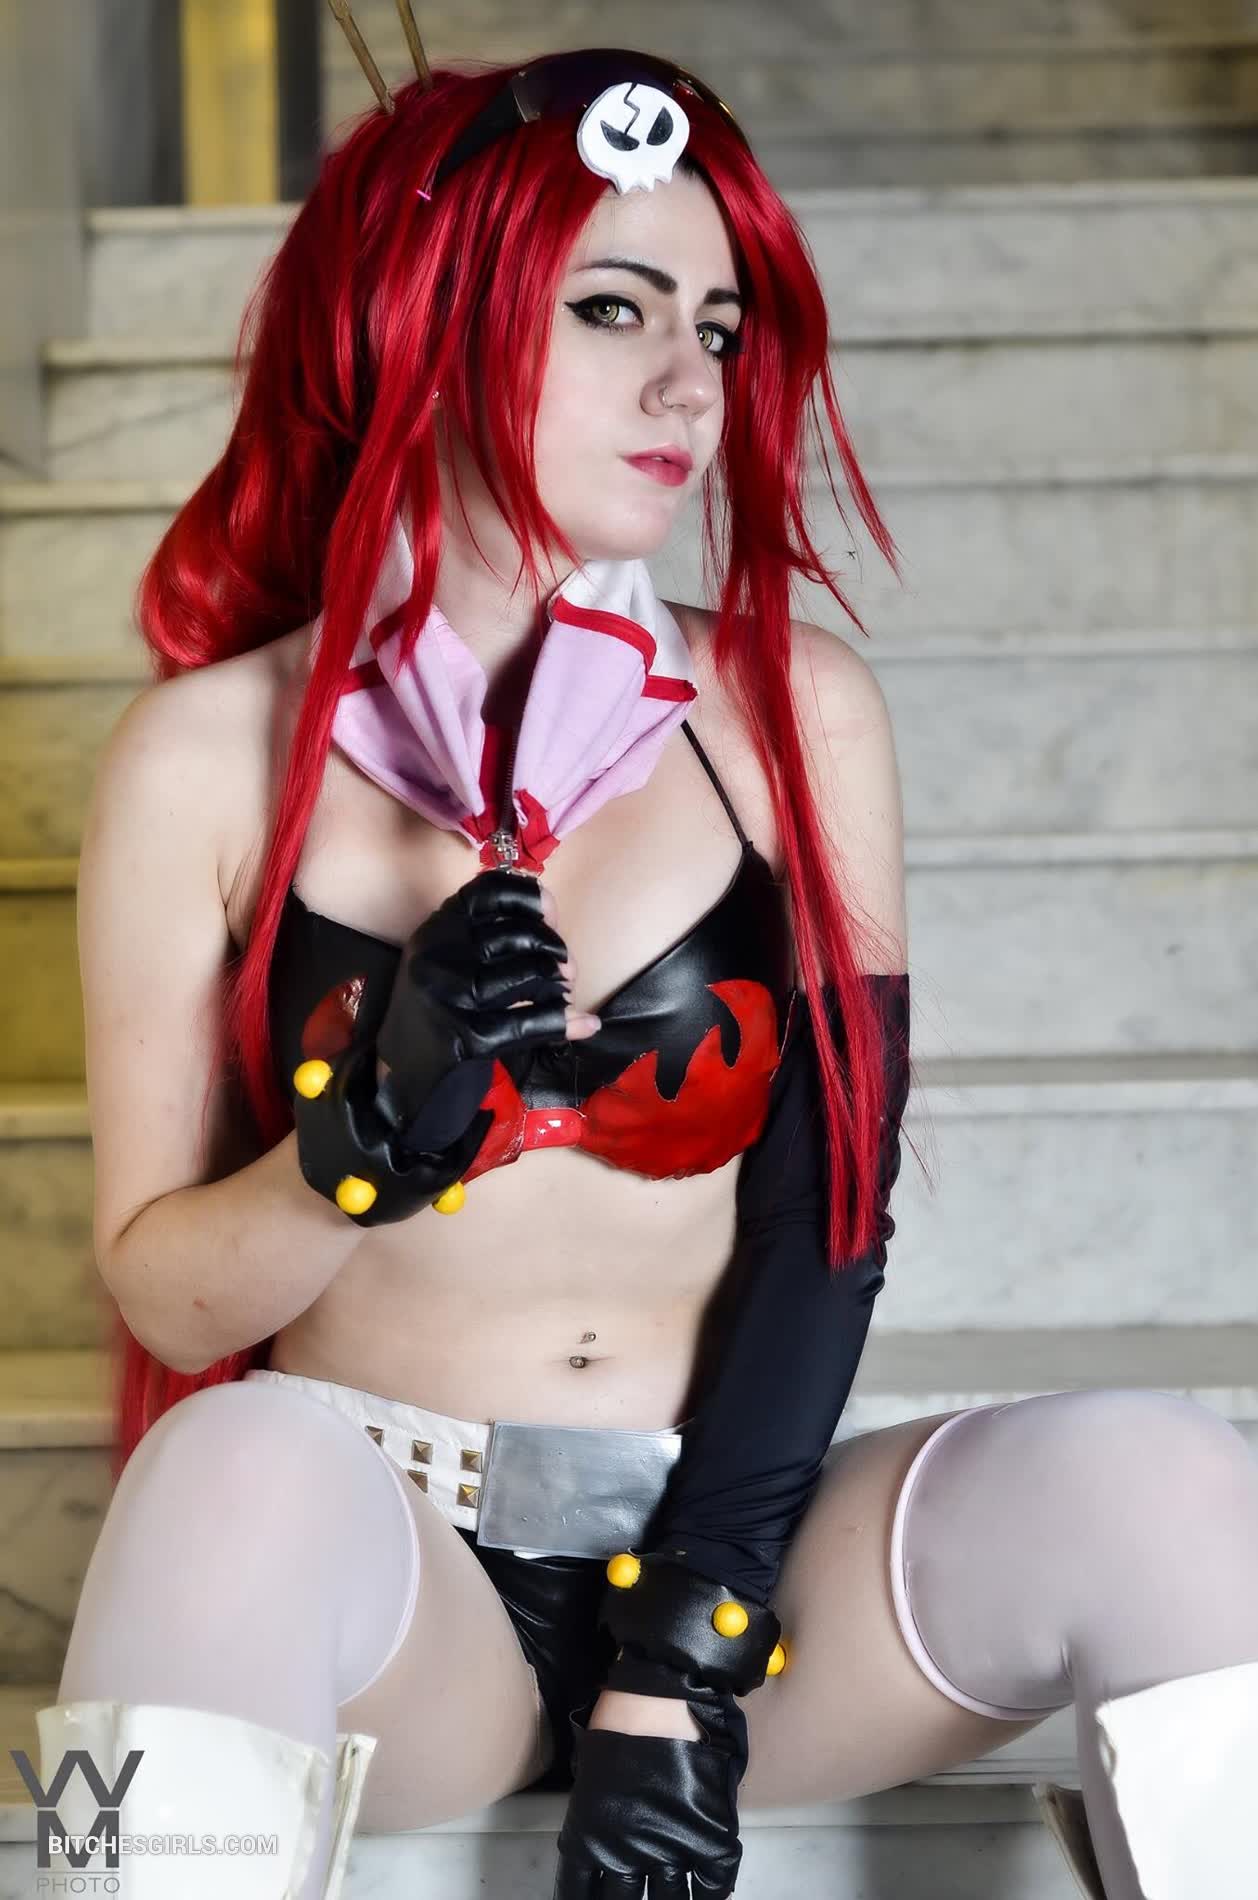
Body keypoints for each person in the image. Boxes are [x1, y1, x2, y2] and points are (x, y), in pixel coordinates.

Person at [35, 19, 1258, 1900]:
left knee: (1167, 1480)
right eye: (614, 308)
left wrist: (685, 1652)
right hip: (391, 1570)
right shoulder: (207, 756)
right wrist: (357, 1145)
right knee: (227, 1469)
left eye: (719, 326)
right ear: (430, 316)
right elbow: (175, 1306)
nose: (689, 377)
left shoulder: (790, 712)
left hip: (738, 1556)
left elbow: (827, 1224)